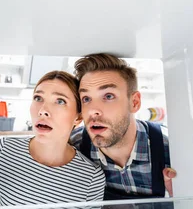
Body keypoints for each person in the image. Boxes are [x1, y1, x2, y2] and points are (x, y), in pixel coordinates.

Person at [0, 71, 106, 206]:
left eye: (60, 101)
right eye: (38, 98)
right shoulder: (3, 150)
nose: (42, 110)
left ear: (78, 117)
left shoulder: (92, 177)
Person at [70, 53, 177, 200]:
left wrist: (179, 199)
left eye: (108, 96)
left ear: (134, 103)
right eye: (86, 99)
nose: (93, 110)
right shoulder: (72, 148)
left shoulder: (172, 150)